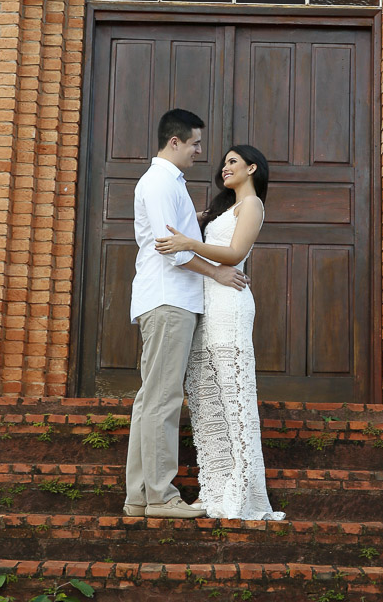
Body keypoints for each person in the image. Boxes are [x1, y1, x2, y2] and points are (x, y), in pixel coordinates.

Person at [124, 109, 249, 520]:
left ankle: (140, 496)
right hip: (169, 300)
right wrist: (216, 271)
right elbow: (170, 249)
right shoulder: (160, 182)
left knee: (151, 400)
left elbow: (176, 237)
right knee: (162, 400)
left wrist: (195, 226)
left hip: (167, 299)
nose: (200, 151)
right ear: (174, 142)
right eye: (195, 143)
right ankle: (160, 496)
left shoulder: (167, 182)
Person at [155, 144, 285, 521]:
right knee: (208, 399)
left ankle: (241, 491)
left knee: (233, 396)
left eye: (233, 162)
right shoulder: (223, 210)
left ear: (252, 168)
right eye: (224, 162)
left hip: (230, 304)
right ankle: (215, 489)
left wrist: (189, 242)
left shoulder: (252, 206)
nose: (224, 167)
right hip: (206, 305)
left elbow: (233, 252)